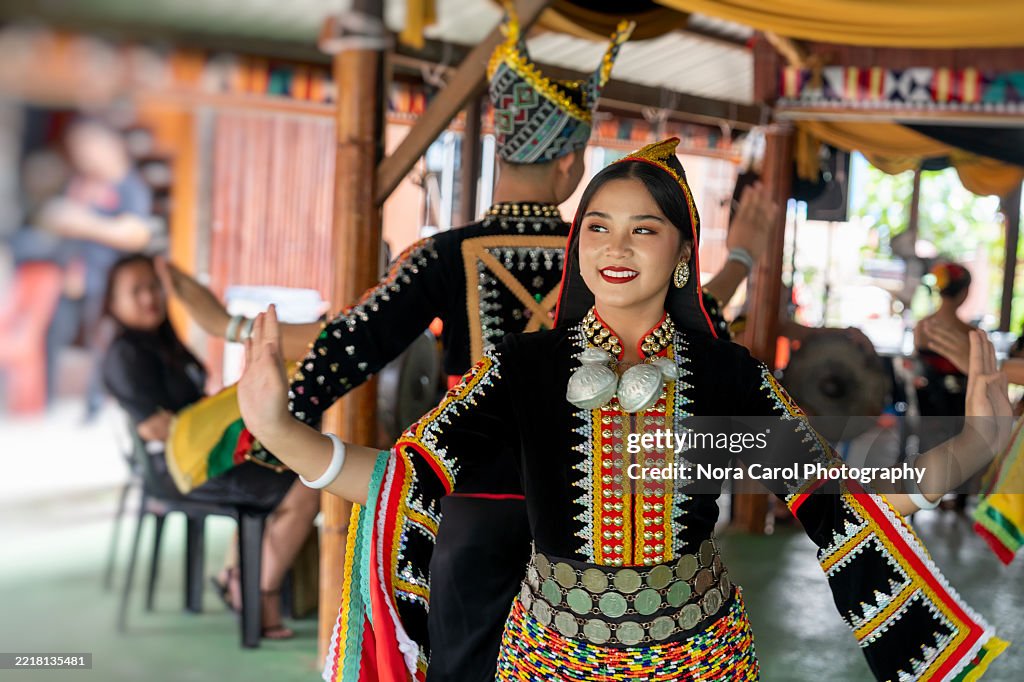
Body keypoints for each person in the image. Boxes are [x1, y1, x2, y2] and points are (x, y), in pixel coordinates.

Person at [238, 139, 1010, 680]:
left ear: (682, 254)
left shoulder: (723, 375)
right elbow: (406, 481)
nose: (615, 246)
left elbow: (830, 495)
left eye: (644, 229)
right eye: (598, 227)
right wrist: (280, 429)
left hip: (700, 658)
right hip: (549, 659)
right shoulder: (525, 370)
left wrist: (972, 448)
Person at [100, 254, 318, 640]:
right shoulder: (125, 354)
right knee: (305, 486)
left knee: (281, 464)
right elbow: (156, 428)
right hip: (174, 469)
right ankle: (257, 595)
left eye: (153, 286)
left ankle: (236, 576)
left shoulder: (164, 343)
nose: (149, 297)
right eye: (136, 291)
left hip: (193, 457)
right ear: (113, 303)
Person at [914, 262, 975, 510]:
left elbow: (919, 367)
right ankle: (960, 495)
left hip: (927, 406)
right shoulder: (970, 332)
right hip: (960, 411)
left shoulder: (923, 327)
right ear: (963, 293)